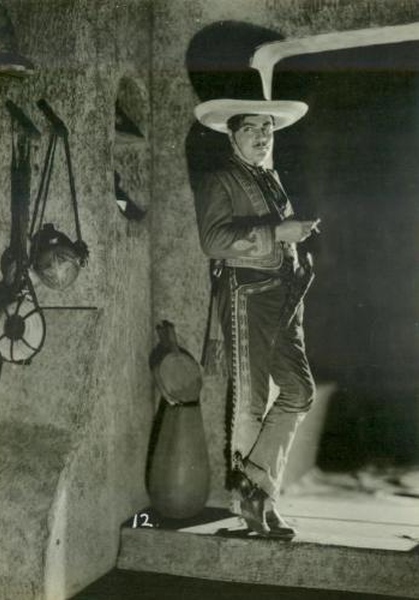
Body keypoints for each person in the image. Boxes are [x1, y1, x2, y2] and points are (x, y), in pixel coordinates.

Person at [192, 97, 320, 538]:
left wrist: (294, 239)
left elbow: (277, 234)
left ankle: (256, 490)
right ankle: (252, 505)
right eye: (251, 128)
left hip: (284, 297)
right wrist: (278, 232)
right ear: (232, 135)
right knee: (250, 402)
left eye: (267, 127)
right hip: (247, 297)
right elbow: (212, 241)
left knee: (299, 392)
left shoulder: (270, 177)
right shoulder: (220, 179)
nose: (262, 136)